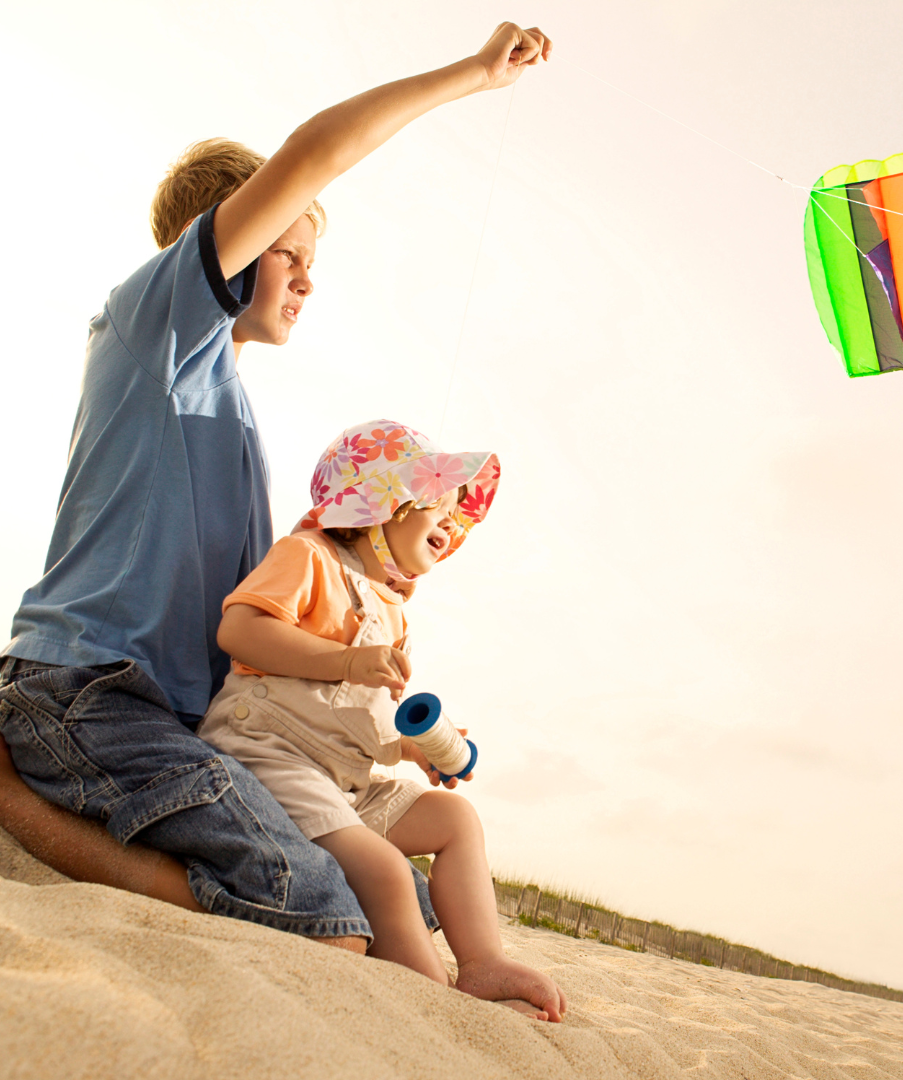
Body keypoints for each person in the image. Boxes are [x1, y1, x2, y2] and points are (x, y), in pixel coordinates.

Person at [0, 22, 552, 973]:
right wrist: (470, 76)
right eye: (287, 251)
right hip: (85, 693)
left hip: (177, 721)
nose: (306, 279)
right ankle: (10, 796)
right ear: (217, 241)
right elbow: (311, 155)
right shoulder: (151, 328)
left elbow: (259, 643)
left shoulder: (233, 414)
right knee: (325, 918)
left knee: (402, 911)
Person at [198, 420, 567, 1020]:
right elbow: (238, 630)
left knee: (454, 818)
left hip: (344, 778)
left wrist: (409, 749)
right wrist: (345, 658)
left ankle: (480, 963)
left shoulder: (392, 608)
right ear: (381, 502)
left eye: (455, 513)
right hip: (270, 754)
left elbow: (355, 721)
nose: (450, 523)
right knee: (389, 872)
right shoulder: (308, 556)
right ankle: (431, 1004)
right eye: (436, 505)